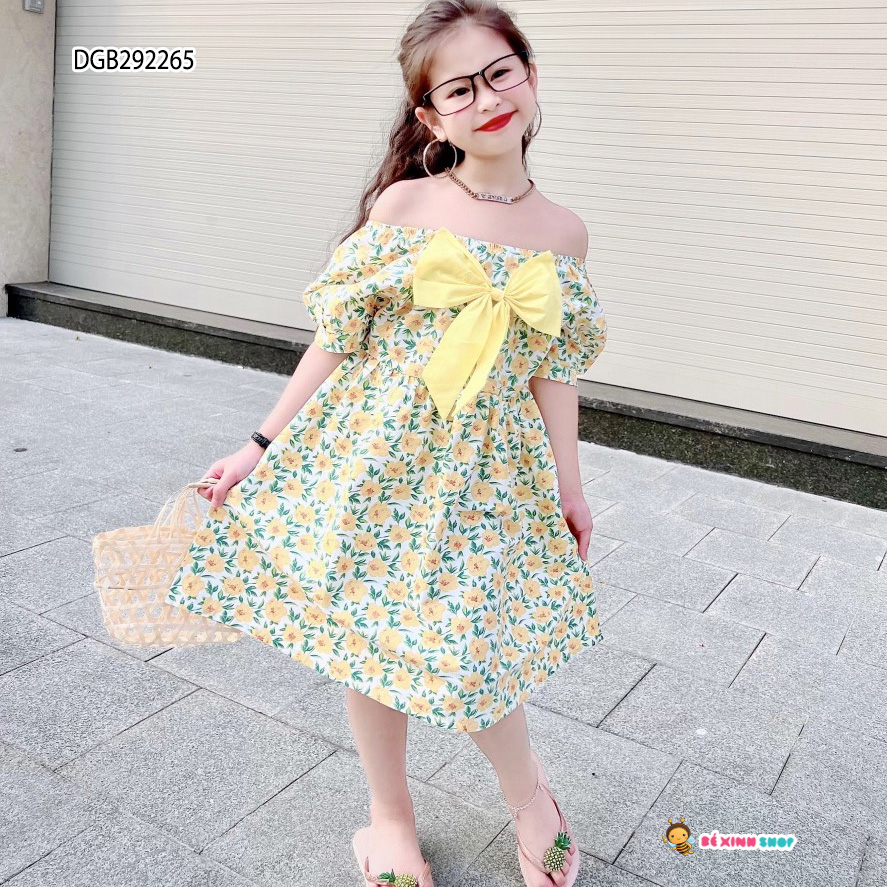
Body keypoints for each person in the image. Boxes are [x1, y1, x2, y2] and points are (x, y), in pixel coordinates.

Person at [165, 2, 608, 885]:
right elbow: (337, 335)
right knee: (367, 636)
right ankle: (388, 819)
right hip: (374, 458)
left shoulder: (565, 232)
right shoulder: (406, 204)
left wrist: (571, 484)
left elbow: (553, 369)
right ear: (430, 117)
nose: (486, 98)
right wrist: (258, 443)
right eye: (458, 88)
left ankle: (532, 800)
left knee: (468, 642)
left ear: (529, 75)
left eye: (499, 73)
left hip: (486, 474)